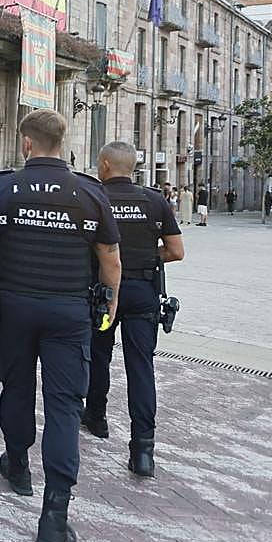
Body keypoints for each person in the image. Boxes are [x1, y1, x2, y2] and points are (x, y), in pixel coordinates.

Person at [0, 109, 121, 542]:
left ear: (26, 143)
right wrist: (110, 301)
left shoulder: (2, 187)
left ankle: (17, 464)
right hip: (70, 313)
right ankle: (54, 515)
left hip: (16, 306)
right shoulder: (90, 192)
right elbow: (110, 257)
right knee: (65, 406)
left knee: (16, 387)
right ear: (62, 143)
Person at [83, 142, 185, 478]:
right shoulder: (155, 200)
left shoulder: (95, 197)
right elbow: (176, 251)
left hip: (105, 291)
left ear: (108, 164)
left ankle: (96, 416)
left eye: (100, 162)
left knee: (98, 353)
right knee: (140, 366)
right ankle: (143, 449)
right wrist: (145, 256)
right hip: (143, 291)